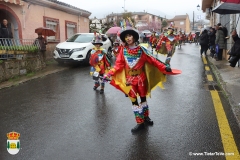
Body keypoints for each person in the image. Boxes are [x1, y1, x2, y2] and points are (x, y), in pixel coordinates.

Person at [103, 23, 172, 133]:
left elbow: (153, 60)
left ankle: (146, 117)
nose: (128, 38)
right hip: (130, 80)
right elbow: (118, 65)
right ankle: (139, 122)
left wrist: (164, 67)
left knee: (143, 99)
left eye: (130, 36)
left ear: (134, 37)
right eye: (126, 37)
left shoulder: (142, 50)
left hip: (141, 79)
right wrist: (109, 74)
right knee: (134, 101)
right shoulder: (123, 50)